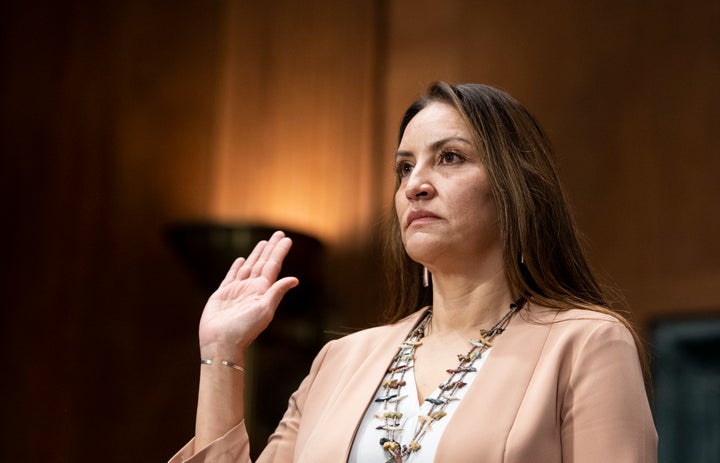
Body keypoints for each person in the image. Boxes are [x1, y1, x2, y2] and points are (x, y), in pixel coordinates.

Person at [169, 82, 658, 462]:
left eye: (450, 158)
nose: (415, 185)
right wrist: (221, 355)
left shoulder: (586, 344)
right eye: (404, 168)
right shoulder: (339, 362)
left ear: (515, 187)